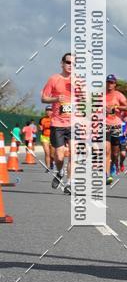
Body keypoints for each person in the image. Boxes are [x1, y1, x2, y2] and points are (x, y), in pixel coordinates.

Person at [41, 53, 73, 194]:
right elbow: (43, 98)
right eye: (68, 62)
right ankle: (60, 172)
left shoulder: (78, 81)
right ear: (62, 63)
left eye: (74, 63)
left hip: (74, 123)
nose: (71, 65)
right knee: (59, 157)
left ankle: (70, 183)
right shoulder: (54, 79)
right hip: (58, 123)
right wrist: (55, 99)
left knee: (74, 154)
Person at [105, 75, 127, 185]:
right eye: (108, 82)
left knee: (115, 153)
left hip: (116, 125)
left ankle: (114, 164)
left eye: (112, 82)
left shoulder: (119, 95)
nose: (110, 84)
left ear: (115, 84)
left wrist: (117, 107)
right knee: (106, 150)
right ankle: (107, 174)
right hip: (105, 125)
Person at [39, 106, 53, 171]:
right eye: (47, 110)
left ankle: (51, 162)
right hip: (44, 137)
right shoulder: (42, 119)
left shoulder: (55, 118)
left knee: (52, 154)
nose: (48, 111)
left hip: (53, 137)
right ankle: (48, 167)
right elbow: (40, 127)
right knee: (47, 153)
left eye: (50, 110)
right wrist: (40, 128)